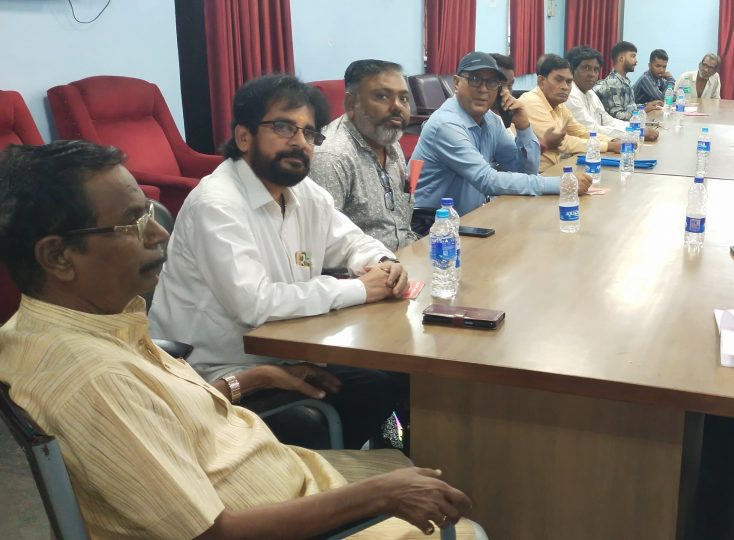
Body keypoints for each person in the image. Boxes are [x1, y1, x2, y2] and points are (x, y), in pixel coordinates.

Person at [0, 140, 482, 539]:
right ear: (58, 257)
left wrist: (250, 380)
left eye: (149, 213)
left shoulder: (71, 325)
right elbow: (215, 533)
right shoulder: (93, 381)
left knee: (417, 454)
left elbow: (161, 416)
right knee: (468, 520)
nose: (159, 234)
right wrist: (378, 495)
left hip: (281, 474)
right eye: (132, 223)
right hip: (278, 515)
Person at [148, 74, 412, 451]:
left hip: (286, 354)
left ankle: (385, 463)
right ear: (244, 137)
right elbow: (255, 305)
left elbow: (351, 241)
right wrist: (358, 289)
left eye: (309, 133)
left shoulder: (303, 192)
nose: (300, 142)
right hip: (217, 374)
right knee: (357, 398)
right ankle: (329, 477)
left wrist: (382, 262)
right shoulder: (217, 204)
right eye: (284, 127)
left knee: (394, 380)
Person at [412, 51, 591, 214]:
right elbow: (487, 180)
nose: (483, 89)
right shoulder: (446, 125)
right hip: (432, 225)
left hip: (471, 217)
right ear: (457, 83)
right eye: (474, 79)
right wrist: (562, 183)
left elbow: (525, 172)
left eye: (491, 83)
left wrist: (523, 126)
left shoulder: (491, 120)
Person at [310, 59, 416, 252]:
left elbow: (402, 223)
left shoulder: (390, 141)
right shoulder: (332, 156)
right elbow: (325, 244)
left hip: (407, 254)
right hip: (365, 267)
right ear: (351, 103)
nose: (397, 107)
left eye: (404, 99)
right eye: (382, 96)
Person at [518, 53, 622, 171]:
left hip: (554, 168)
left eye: (568, 82)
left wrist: (611, 140)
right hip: (534, 174)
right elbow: (563, 142)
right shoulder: (531, 101)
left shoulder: (560, 105)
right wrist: (608, 146)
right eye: (558, 80)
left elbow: (581, 132)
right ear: (541, 81)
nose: (565, 87)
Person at [594, 41, 659, 120]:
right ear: (621, 59)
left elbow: (629, 107)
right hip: (622, 127)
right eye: (633, 56)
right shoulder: (613, 83)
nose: (636, 61)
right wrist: (642, 111)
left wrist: (646, 106)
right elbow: (617, 116)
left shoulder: (625, 80)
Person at [488, 53, 517, 127]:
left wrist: (523, 125)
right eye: (501, 85)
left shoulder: (511, 113)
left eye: (510, 86)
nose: (507, 92)